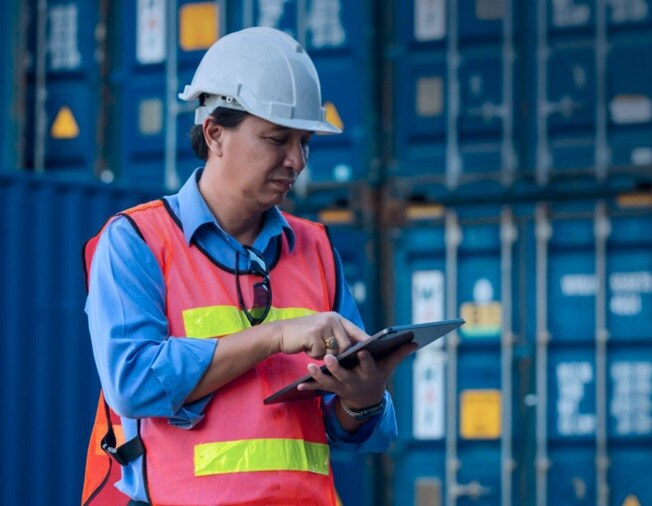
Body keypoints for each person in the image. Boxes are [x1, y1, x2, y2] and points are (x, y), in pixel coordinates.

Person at [82, 27, 415, 505]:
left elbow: (367, 434)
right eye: (277, 138)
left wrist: (363, 400)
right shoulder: (137, 242)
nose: (296, 161)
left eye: (304, 142)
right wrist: (276, 337)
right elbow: (133, 383)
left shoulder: (316, 248)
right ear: (215, 132)